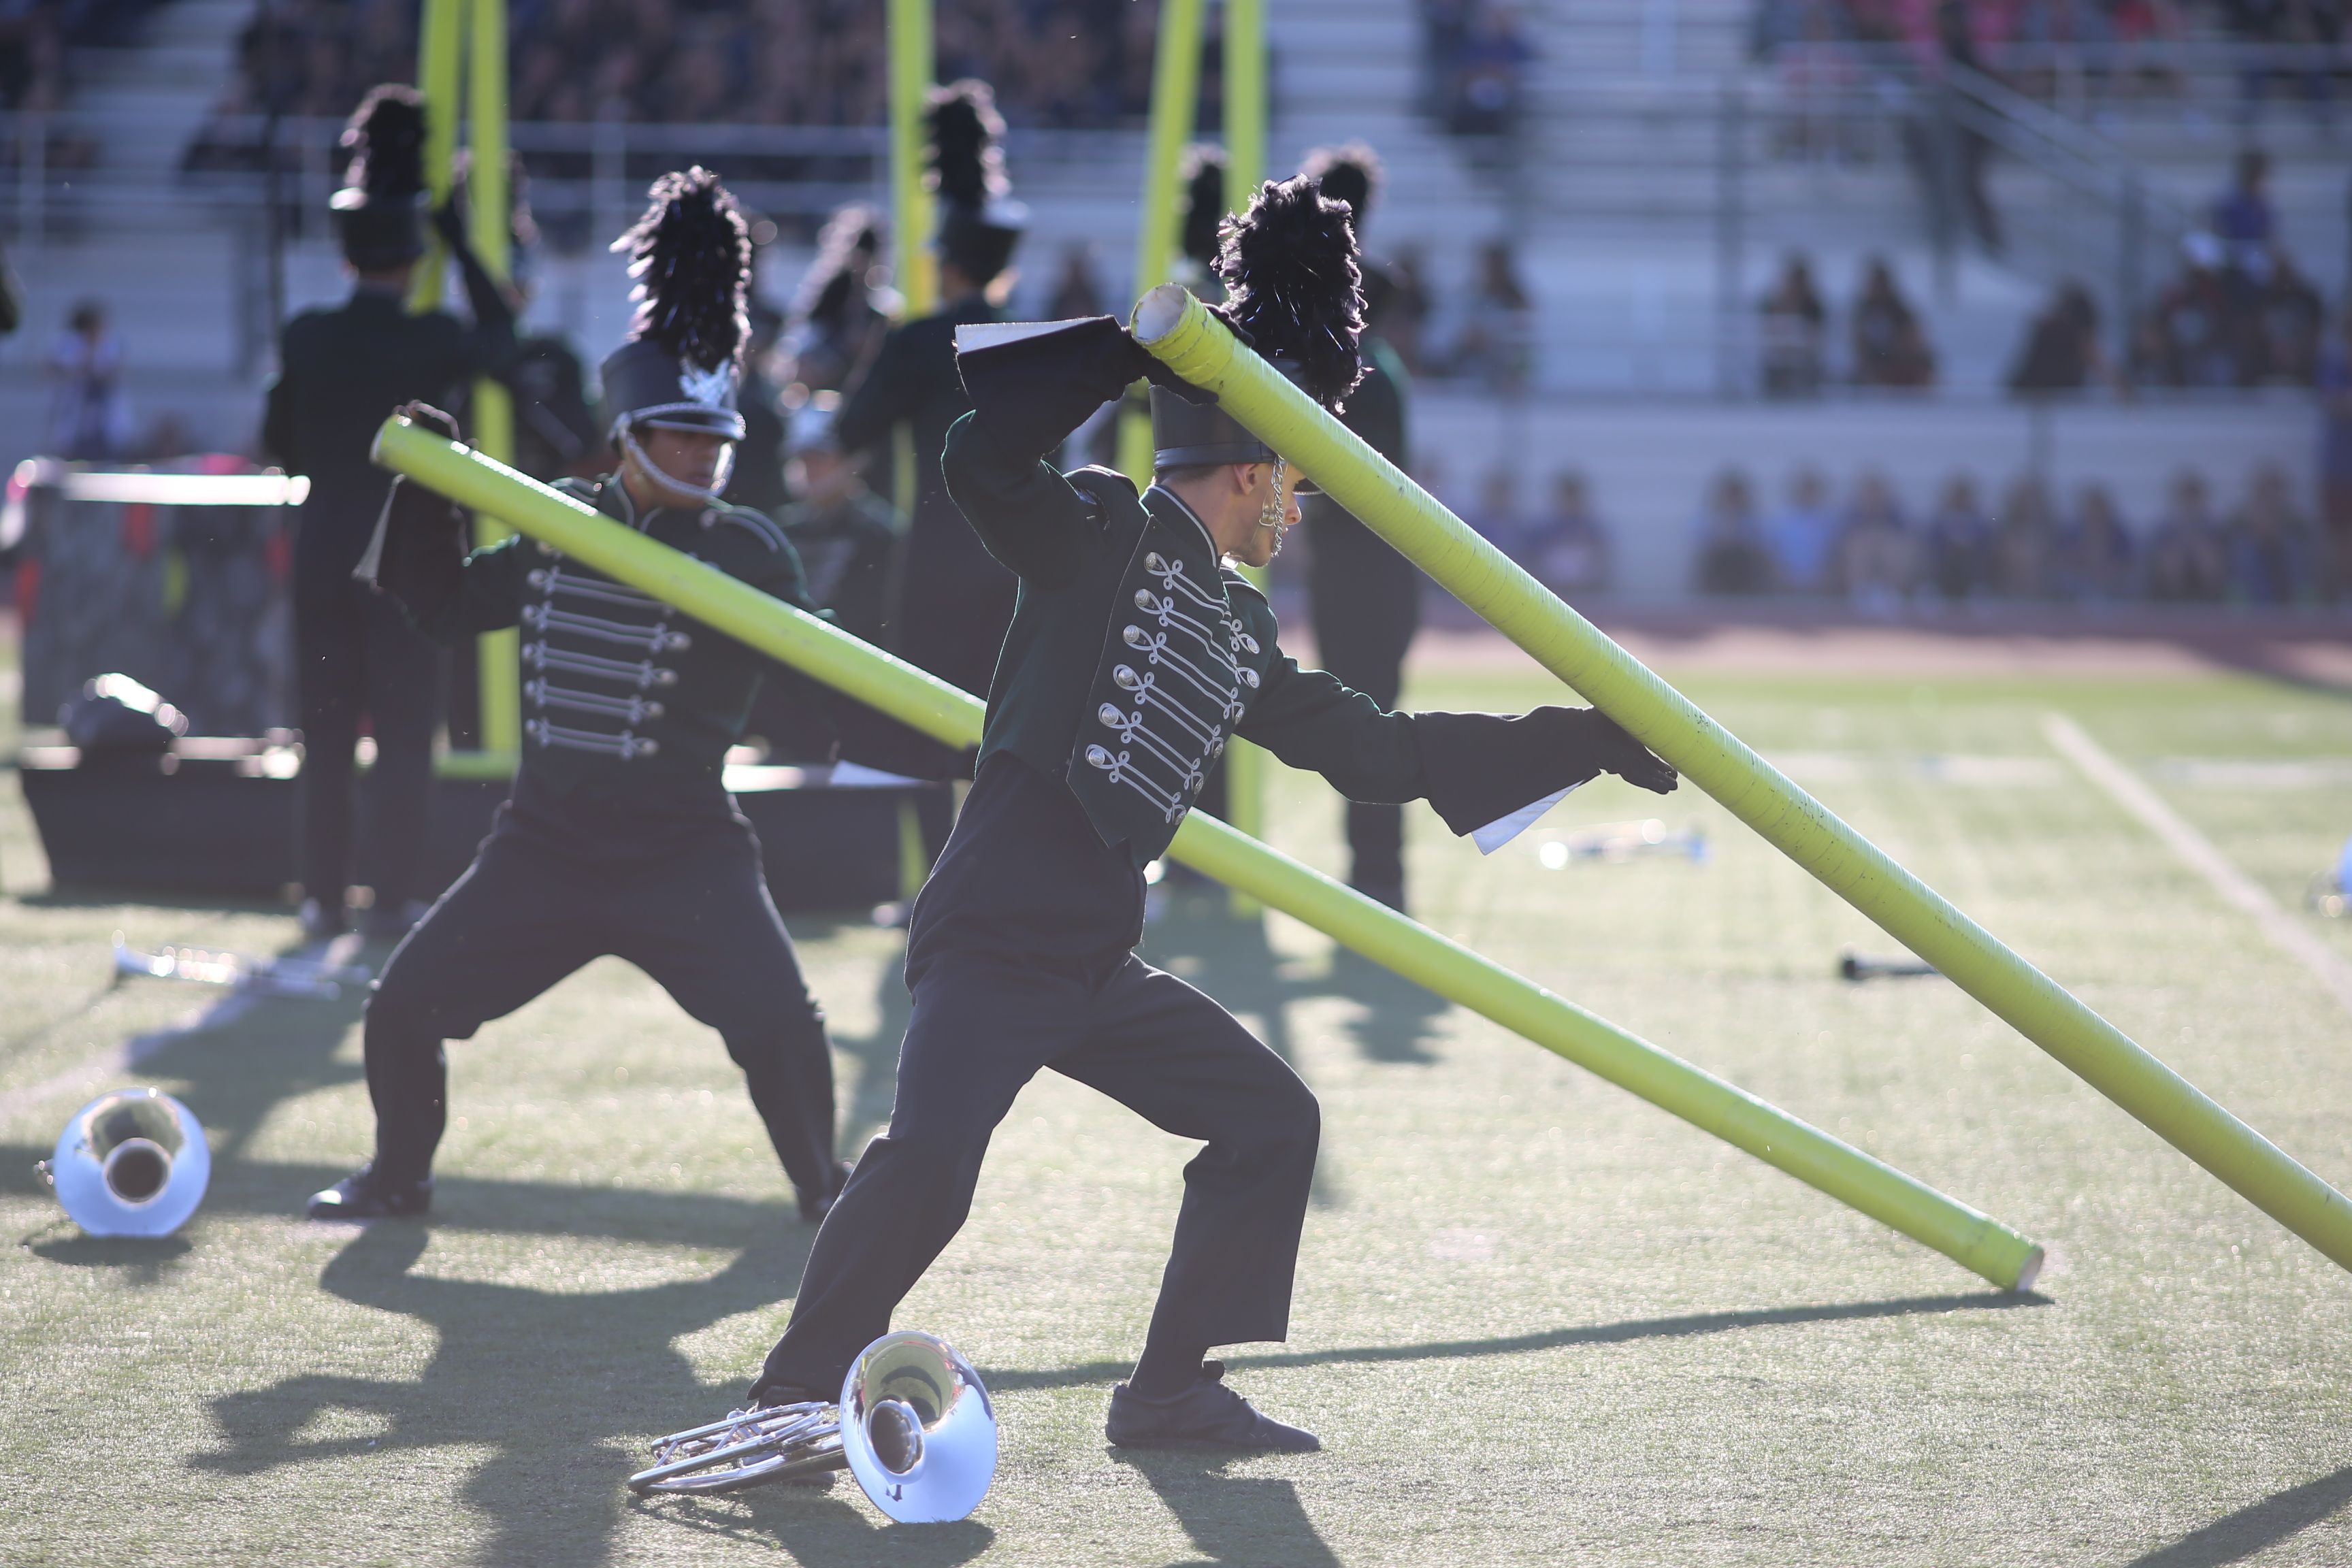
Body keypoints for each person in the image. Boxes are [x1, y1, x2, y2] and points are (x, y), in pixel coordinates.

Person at [732, 176, 1678, 1454]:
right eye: (1290, 478)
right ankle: (789, 1390)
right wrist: (1128, 351)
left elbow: (1382, 752)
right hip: (996, 927)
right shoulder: (1100, 530)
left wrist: (1583, 738)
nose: (1299, 504)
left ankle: (1168, 1389)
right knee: (931, 1165)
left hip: (1091, 953)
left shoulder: (1239, 627)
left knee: (1270, 1117)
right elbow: (978, 455)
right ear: (1245, 470)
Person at [308, 168, 851, 1225]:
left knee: (786, 1028)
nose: (702, 453)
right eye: (680, 435)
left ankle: (822, 1191)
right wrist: (431, 487)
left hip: (687, 849)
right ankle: (398, 1177)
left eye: (713, 437)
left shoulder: (749, 548)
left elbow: (816, 673)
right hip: (543, 846)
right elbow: (445, 608)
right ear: (629, 438)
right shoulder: (563, 519)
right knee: (401, 1009)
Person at [262, 85, 517, 942]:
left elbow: (282, 446)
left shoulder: (305, 336)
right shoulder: (433, 338)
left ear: (346, 257)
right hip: (406, 560)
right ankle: (394, 899)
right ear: (413, 257)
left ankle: (322, 898)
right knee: (408, 737)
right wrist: (458, 234)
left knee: (326, 737)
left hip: (325, 545)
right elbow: (503, 339)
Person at [835, 80, 1026, 731]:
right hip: (1023, 563)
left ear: (948, 266)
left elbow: (851, 429)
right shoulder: (1036, 339)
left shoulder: (921, 340)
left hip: (938, 556)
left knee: (923, 732)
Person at [1301, 142, 1422, 911]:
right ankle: (1374, 876)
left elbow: (1341, 482)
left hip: (1366, 576)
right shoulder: (1373, 372)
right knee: (1360, 723)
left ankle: (1379, 880)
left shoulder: (1365, 379)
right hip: (1357, 572)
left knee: (1366, 727)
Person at [1521, 470, 1612, 599]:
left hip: (1587, 596)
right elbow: (1532, 562)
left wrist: (1584, 582)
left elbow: (1603, 564)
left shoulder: (1593, 531)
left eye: (1573, 497)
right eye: (1566, 497)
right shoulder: (1543, 531)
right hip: (1549, 596)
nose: (1569, 502)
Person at [1850, 257, 1936, 389]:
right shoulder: (1862, 314)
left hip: (1899, 361)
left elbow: (1913, 340)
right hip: (1877, 364)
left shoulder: (1900, 313)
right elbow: (1858, 345)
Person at [2146, 467, 2229, 602]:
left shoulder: (2214, 527)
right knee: (2172, 558)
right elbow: (2154, 557)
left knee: (2207, 555)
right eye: (2185, 497)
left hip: (2207, 581)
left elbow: (2220, 557)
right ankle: (2175, 602)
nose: (2189, 503)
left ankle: (2210, 602)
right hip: (2170, 583)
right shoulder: (2163, 528)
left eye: (2193, 497)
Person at [1692, 468, 1771, 595]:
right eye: (1730, 497)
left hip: (1744, 565)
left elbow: (1759, 543)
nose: (1733, 501)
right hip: (1719, 564)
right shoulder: (1709, 517)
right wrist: (1727, 521)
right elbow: (1704, 542)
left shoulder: (1752, 519)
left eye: (1736, 497)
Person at [1759, 254, 1827, 397]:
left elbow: (1815, 336)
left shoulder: (1813, 308)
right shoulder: (1773, 303)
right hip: (1779, 357)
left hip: (1805, 358)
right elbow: (1768, 331)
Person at [1920, 474, 1993, 604]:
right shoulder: (1940, 519)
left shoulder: (1978, 520)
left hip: (1970, 563)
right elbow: (1931, 540)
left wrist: (1966, 544)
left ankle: (1977, 590)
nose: (1960, 500)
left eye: (1963, 497)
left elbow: (1985, 540)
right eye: (1957, 496)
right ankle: (1935, 590)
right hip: (1946, 562)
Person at [1766, 467, 1840, 593]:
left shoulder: (1830, 523)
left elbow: (1834, 555)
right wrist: (1782, 576)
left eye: (1811, 491)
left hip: (1822, 580)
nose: (1807, 495)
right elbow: (1773, 555)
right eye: (1804, 491)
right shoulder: (1781, 522)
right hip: (1787, 579)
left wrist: (1826, 576)